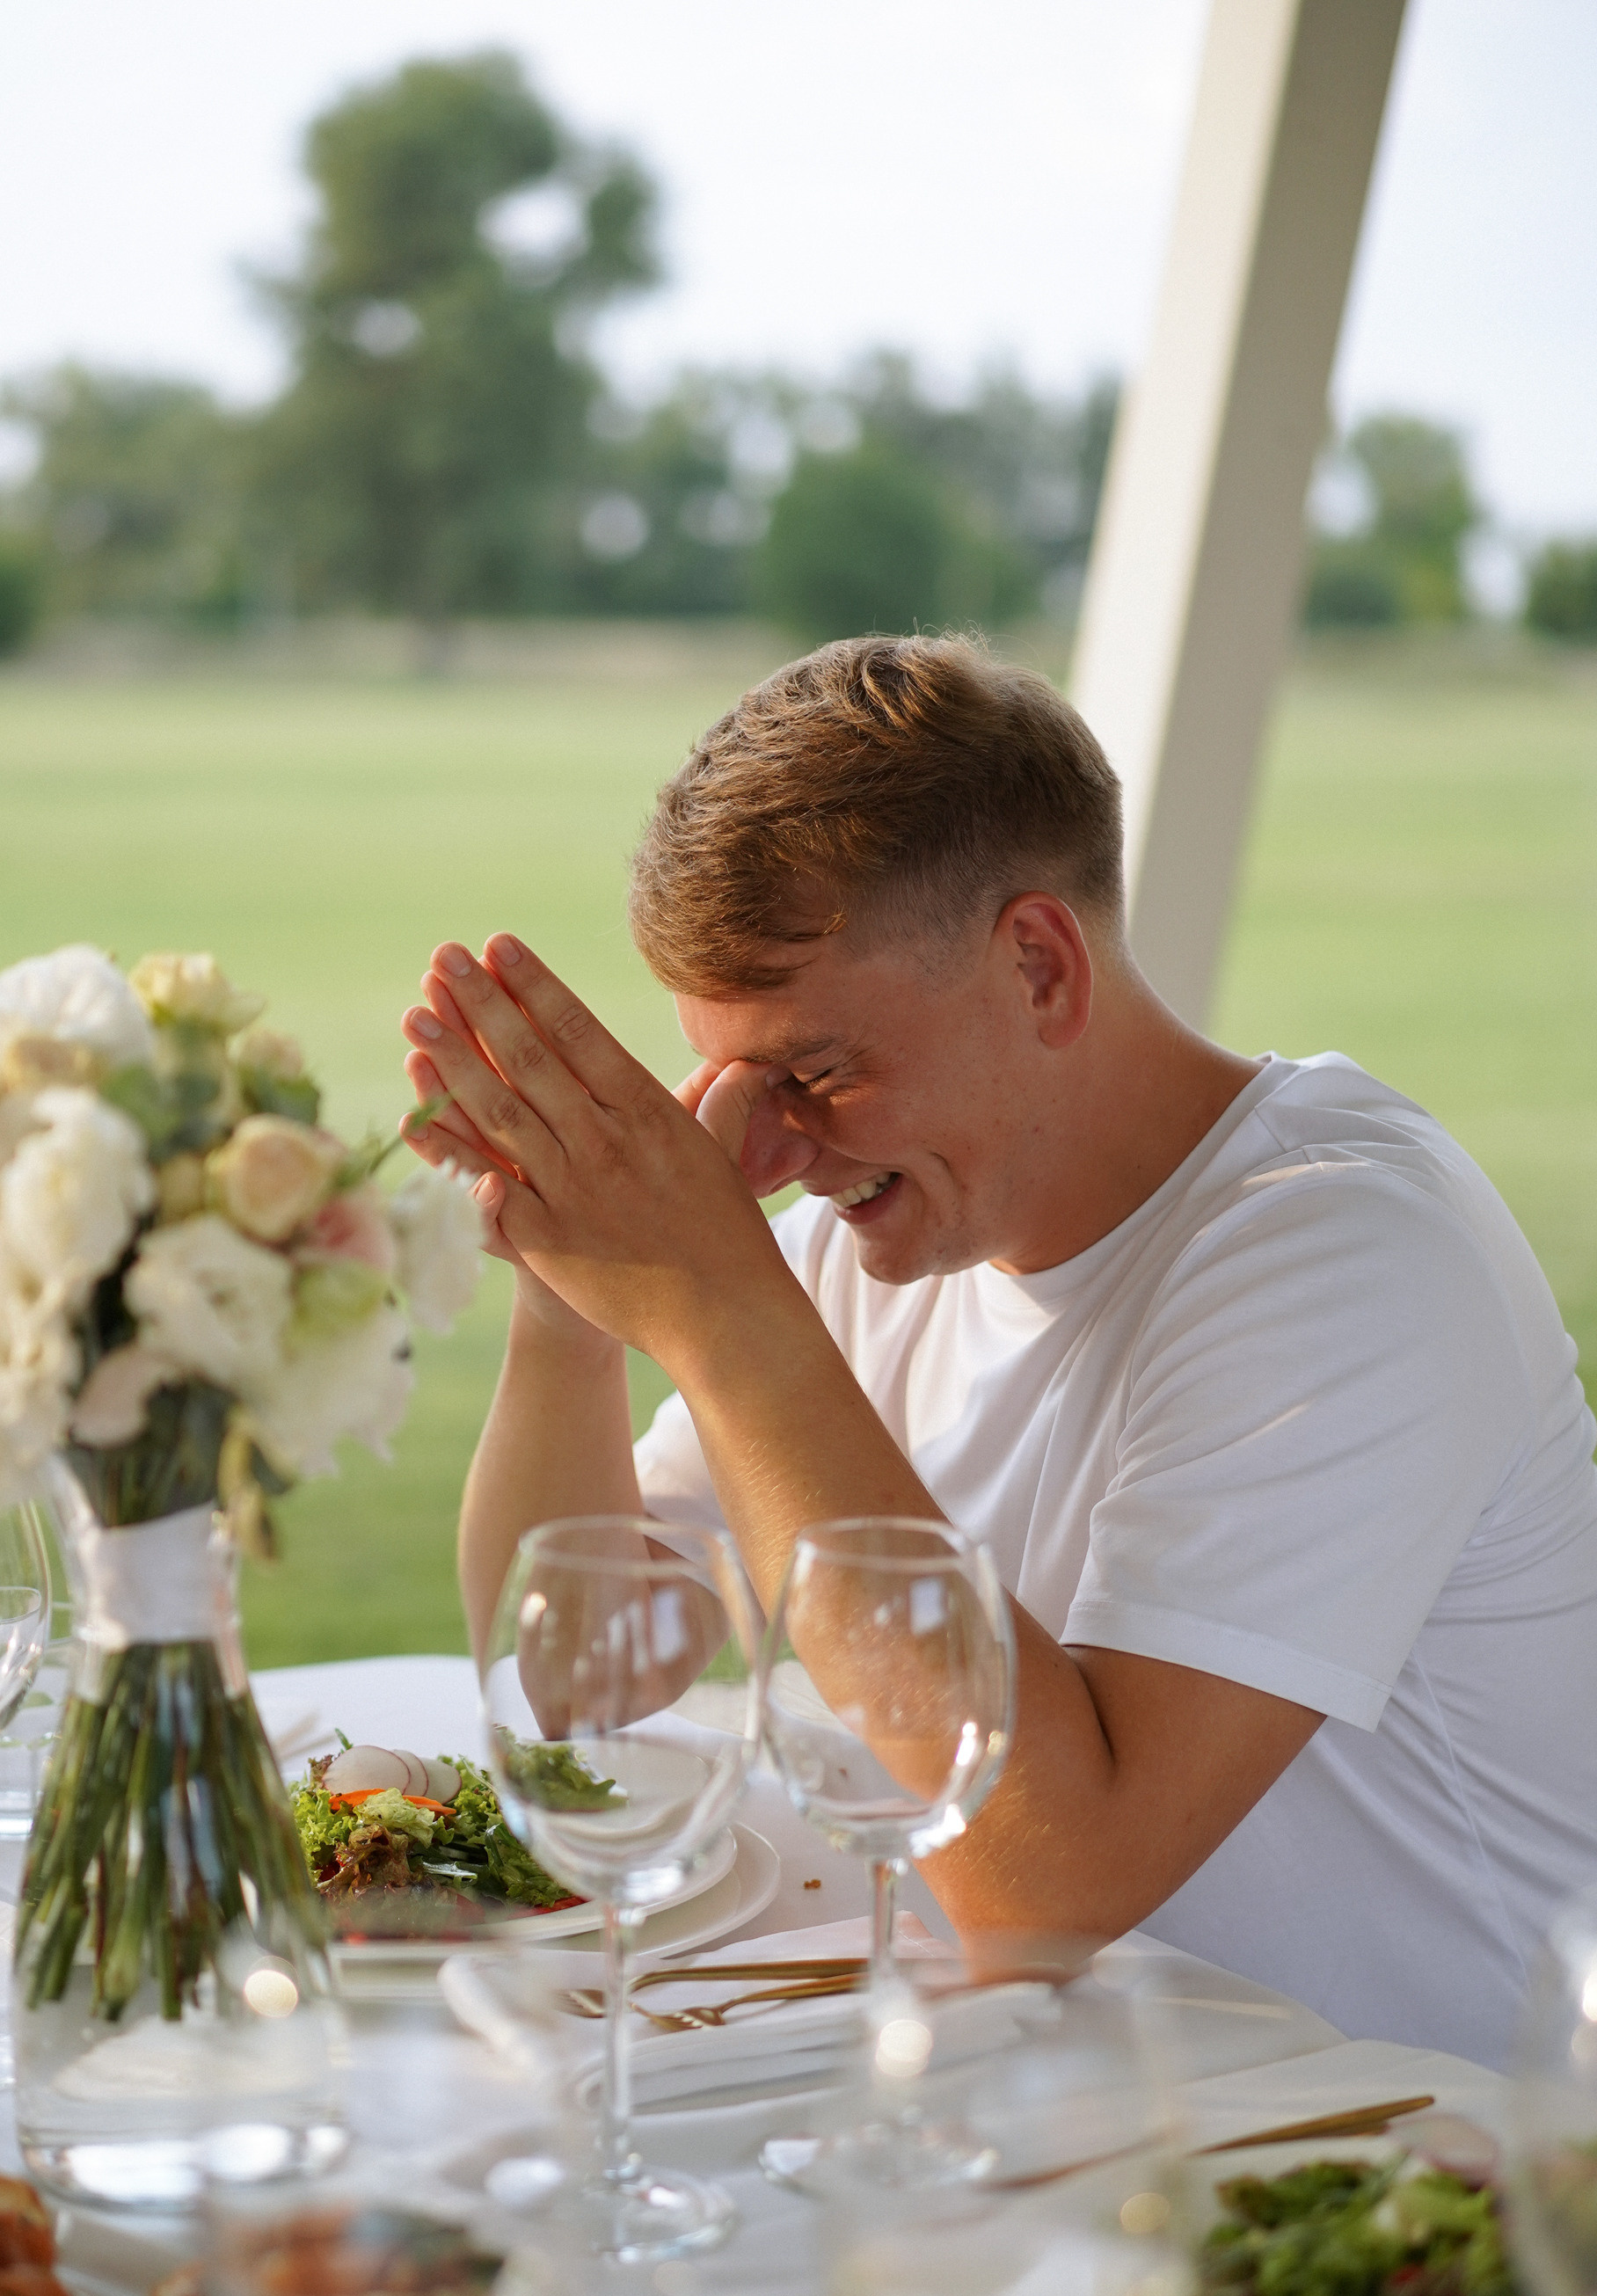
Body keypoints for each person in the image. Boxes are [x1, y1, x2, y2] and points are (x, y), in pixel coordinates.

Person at [400, 634, 1597, 2066]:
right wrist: (573, 1309)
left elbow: (1045, 1889)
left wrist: (721, 1317)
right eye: (730, 1082)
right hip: (1097, 2117)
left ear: (1038, 965)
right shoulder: (875, 1238)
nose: (767, 1153)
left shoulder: (1348, 1253)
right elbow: (579, 1680)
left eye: (817, 1072)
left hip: (1446, 2173)